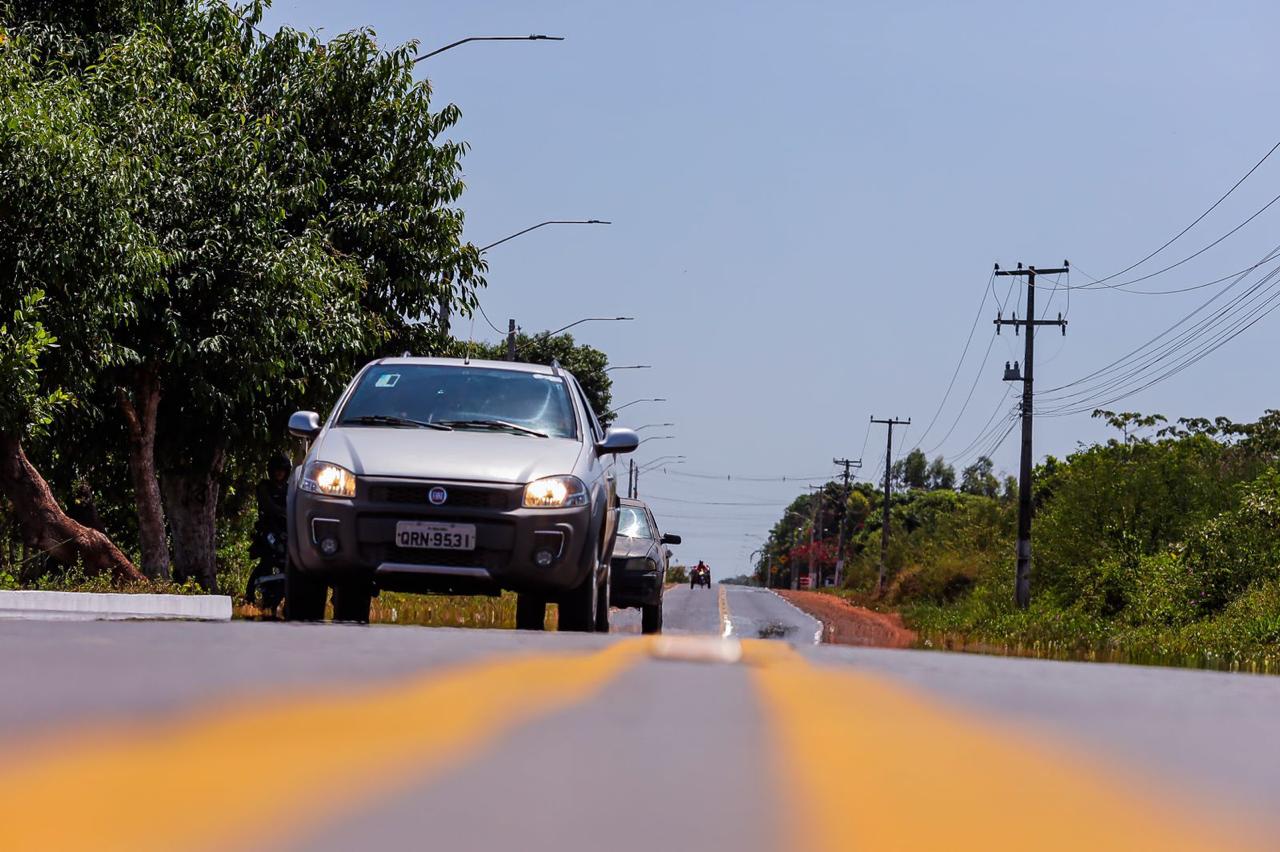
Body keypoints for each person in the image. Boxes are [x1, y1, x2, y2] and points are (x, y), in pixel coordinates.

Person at [246, 452, 291, 603]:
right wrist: (285, 512)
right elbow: (269, 506)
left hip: (287, 529)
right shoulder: (264, 487)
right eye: (276, 469)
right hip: (269, 529)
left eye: (282, 469)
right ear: (271, 471)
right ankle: (257, 591)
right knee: (267, 555)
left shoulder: (290, 489)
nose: (279, 472)